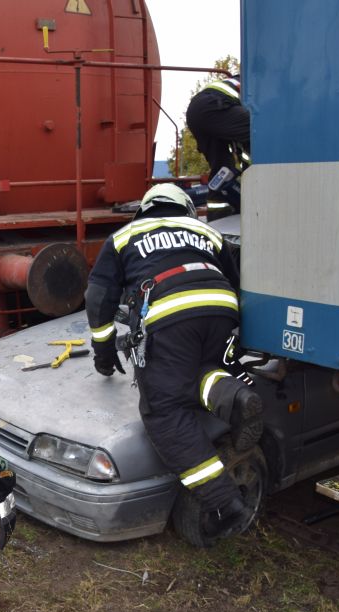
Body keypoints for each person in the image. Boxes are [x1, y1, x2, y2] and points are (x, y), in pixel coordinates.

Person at [85, 183, 262, 542]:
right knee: (193, 372)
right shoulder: (207, 232)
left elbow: (99, 298)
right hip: (221, 309)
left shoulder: (124, 236)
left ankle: (223, 502)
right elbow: (239, 280)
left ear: (145, 208)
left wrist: (104, 354)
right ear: (186, 209)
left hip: (169, 316)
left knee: (164, 410)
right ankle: (235, 397)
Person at [186, 74, 250, 214]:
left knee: (223, 166)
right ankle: (251, 186)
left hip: (195, 112)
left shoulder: (240, 78)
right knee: (258, 132)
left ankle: (218, 211)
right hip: (214, 107)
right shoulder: (259, 82)